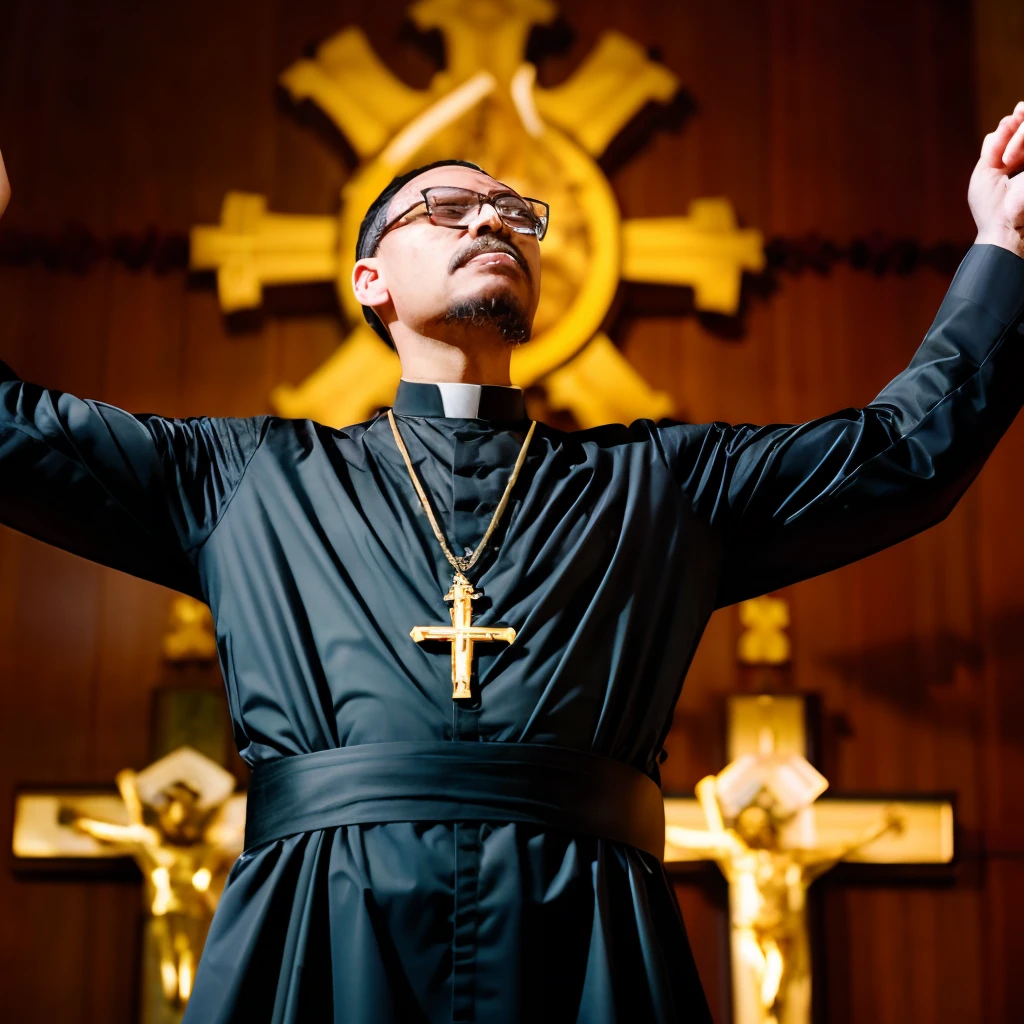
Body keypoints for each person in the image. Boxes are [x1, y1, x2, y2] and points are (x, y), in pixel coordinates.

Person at [1, 101, 1023, 1023]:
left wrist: (1002, 245)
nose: (492, 222)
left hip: (584, 935)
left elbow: (902, 454)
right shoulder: (244, 477)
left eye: (514, 216)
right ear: (370, 283)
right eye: (446, 208)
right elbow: (14, 435)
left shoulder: (661, 485)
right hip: (315, 925)